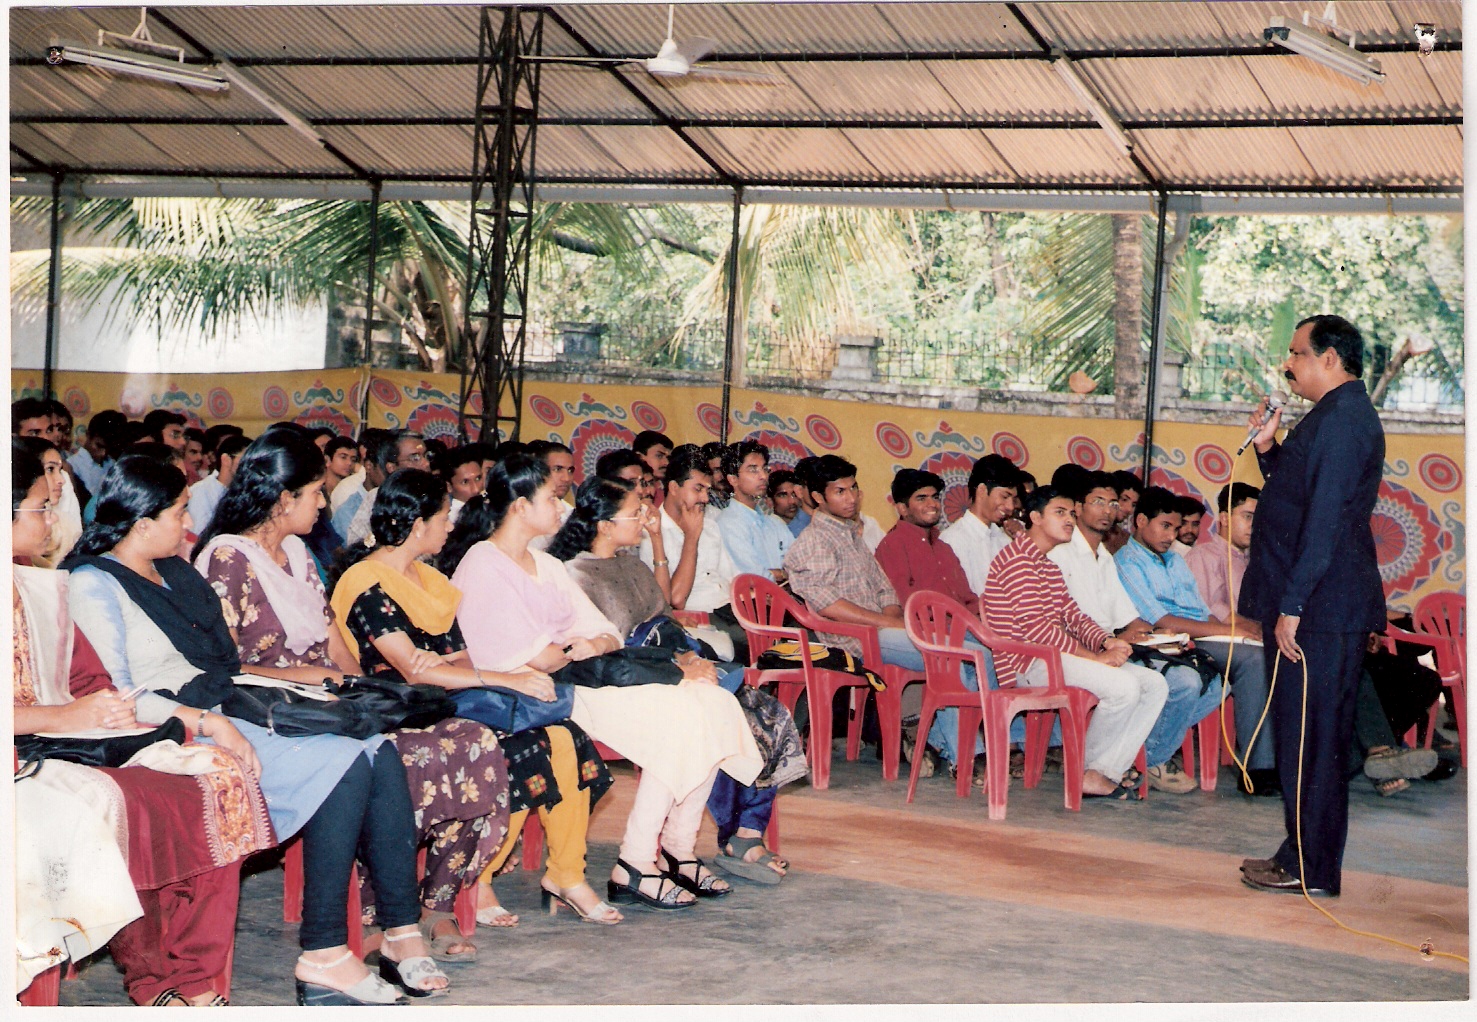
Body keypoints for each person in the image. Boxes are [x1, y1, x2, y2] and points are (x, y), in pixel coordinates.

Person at [63, 453, 446, 1003]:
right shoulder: (94, 581)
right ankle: (324, 951)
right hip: (165, 726)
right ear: (142, 522)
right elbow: (115, 694)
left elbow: (226, 665)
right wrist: (210, 722)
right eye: (177, 512)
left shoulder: (172, 570)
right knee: (340, 763)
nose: (187, 524)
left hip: (220, 702)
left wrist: (290, 681)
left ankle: (401, 931)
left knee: (376, 748)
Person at [193, 432, 509, 962]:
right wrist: (313, 679)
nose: (324, 501)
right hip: (273, 714)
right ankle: (373, 919)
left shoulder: (295, 550)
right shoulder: (228, 559)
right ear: (281, 498)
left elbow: (331, 634)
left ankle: (435, 905)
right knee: (403, 759)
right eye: (316, 491)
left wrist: (366, 693)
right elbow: (220, 667)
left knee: (472, 740)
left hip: (329, 702)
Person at [13, 441, 275, 1006]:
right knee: (130, 806)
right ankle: (155, 978)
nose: (52, 513)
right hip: (28, 754)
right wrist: (67, 715)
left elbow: (93, 680)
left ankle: (192, 978)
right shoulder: (77, 580)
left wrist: (195, 722)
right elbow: (74, 701)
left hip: (71, 736)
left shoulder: (39, 584)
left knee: (216, 778)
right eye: (39, 505)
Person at [442, 453, 763, 910]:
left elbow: (607, 633)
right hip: (539, 692)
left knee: (710, 701)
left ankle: (677, 846)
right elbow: (532, 657)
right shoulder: (483, 562)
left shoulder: (545, 564)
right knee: (679, 718)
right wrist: (577, 645)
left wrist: (584, 643)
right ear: (518, 506)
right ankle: (635, 861)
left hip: (577, 678)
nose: (561, 508)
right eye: (552, 498)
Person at [329, 467, 618, 929]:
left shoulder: (430, 580)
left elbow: (456, 661)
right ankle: (476, 880)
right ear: (418, 523)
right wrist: (503, 679)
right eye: (444, 517)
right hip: (396, 708)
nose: (451, 525)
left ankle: (568, 873)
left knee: (564, 734)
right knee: (521, 746)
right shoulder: (366, 581)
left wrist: (494, 680)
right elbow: (410, 669)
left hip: (444, 698)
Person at [549, 475, 805, 884]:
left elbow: (663, 621)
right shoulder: (573, 573)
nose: (645, 517)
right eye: (636, 513)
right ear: (605, 524)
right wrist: (680, 667)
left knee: (731, 704)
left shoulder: (629, 564)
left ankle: (682, 846)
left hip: (655, 670)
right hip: (607, 683)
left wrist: (687, 657)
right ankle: (638, 858)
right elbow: (608, 648)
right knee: (690, 718)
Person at [1236, 315, 1386, 898]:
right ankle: (1299, 854)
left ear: (1328, 358)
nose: (1286, 364)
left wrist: (1293, 604)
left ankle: (1312, 868)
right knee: (1303, 737)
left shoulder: (1345, 421)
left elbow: (1324, 522)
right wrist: (1270, 447)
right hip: (1315, 603)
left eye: (1296, 353)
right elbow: (1298, 498)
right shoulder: (1329, 416)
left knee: (1313, 740)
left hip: (1320, 610)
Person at [983, 486, 1168, 799]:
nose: (1069, 520)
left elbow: (1074, 616)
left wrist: (1108, 642)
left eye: (1071, 513)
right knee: (1123, 688)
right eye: (1060, 512)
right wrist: (1094, 659)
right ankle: (1087, 772)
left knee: (1154, 685)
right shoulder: (1016, 560)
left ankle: (1100, 770)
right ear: (1035, 517)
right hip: (1027, 663)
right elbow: (1039, 631)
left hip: (1054, 659)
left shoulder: (1046, 564)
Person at [1048, 469, 1218, 795]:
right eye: (1098, 502)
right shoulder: (1061, 553)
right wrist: (1114, 640)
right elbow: (1068, 621)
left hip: (1111, 645)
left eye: (1113, 503)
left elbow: (1130, 619)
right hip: (1077, 651)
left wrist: (1156, 639)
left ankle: (1116, 766)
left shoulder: (1103, 558)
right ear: (1078, 507)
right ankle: (1099, 768)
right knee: (1172, 682)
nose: (1108, 510)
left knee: (1192, 676)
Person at [1115, 485, 1278, 796]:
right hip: (1161, 641)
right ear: (1139, 521)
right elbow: (1162, 620)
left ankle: (1152, 746)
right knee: (1253, 661)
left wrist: (1232, 631)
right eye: (1165, 526)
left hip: (1192, 636)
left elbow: (1203, 612)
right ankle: (1257, 768)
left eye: (1175, 528)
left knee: (1228, 679)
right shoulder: (1128, 562)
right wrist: (1229, 633)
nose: (1171, 536)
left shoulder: (1175, 561)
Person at [638, 444, 750, 662]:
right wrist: (692, 537)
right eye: (698, 489)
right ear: (673, 488)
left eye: (707, 490)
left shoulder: (710, 526)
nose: (705, 498)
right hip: (697, 615)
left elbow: (732, 578)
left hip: (729, 609)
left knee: (779, 635)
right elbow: (676, 600)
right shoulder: (652, 532)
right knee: (751, 644)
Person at [941, 453, 1021, 593]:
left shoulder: (1004, 539)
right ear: (982, 490)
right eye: (1004, 496)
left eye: (1013, 499)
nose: (1010, 507)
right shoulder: (952, 541)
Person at [716, 440, 793, 586]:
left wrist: (779, 574)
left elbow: (800, 565)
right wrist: (782, 574)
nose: (763, 476)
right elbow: (755, 577)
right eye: (753, 470)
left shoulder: (774, 522)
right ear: (733, 479)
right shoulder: (728, 523)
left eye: (765, 469)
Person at [346, 431, 427, 548]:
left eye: (425, 456)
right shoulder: (377, 497)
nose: (425, 463)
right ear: (392, 467)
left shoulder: (435, 497)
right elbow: (357, 545)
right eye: (415, 458)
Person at [187, 432, 250, 539]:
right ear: (226, 459)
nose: (250, 466)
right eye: (245, 460)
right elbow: (197, 535)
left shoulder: (243, 490)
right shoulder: (200, 491)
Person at [527, 440, 576, 550]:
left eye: (570, 471)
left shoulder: (571, 514)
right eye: (558, 469)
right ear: (540, 471)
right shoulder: (525, 511)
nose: (566, 478)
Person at [69, 409, 127, 495]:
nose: (103, 453)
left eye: (108, 449)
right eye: (99, 446)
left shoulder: (112, 463)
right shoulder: (73, 465)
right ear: (88, 435)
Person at [1103, 470, 1142, 555]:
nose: (1129, 509)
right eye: (1124, 499)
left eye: (1134, 505)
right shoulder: (1092, 531)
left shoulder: (1125, 539)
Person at [632, 430, 673, 506]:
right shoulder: (629, 491)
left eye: (668, 458)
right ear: (640, 457)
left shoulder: (666, 493)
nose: (666, 463)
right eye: (659, 456)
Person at [767, 467, 804, 536]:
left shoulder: (808, 527)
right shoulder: (768, 531)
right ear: (770, 501)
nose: (792, 501)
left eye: (794, 494)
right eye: (783, 495)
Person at [701, 441, 731, 510]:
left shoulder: (732, 496)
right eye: (716, 470)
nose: (722, 475)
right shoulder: (704, 500)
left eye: (724, 469)